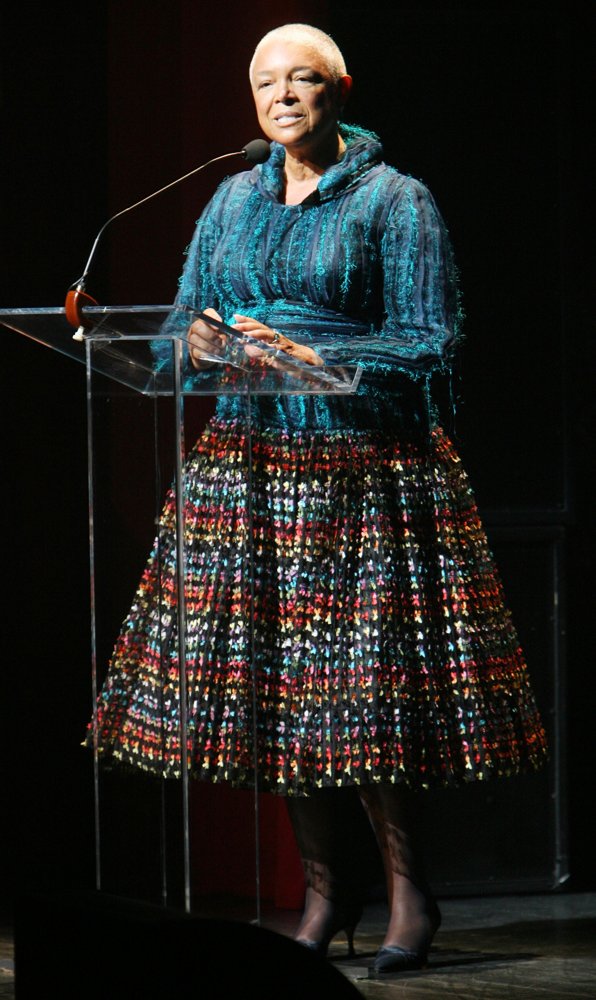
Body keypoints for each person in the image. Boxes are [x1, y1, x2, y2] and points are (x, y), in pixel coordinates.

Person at [87, 23, 548, 975]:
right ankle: (324, 897)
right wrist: (201, 342)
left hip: (365, 469)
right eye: (265, 81)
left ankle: (411, 896)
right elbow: (182, 320)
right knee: (282, 690)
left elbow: (429, 342)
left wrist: (322, 357)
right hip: (252, 470)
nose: (282, 95)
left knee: (364, 692)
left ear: (340, 88)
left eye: (302, 79)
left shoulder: (394, 200)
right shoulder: (227, 199)